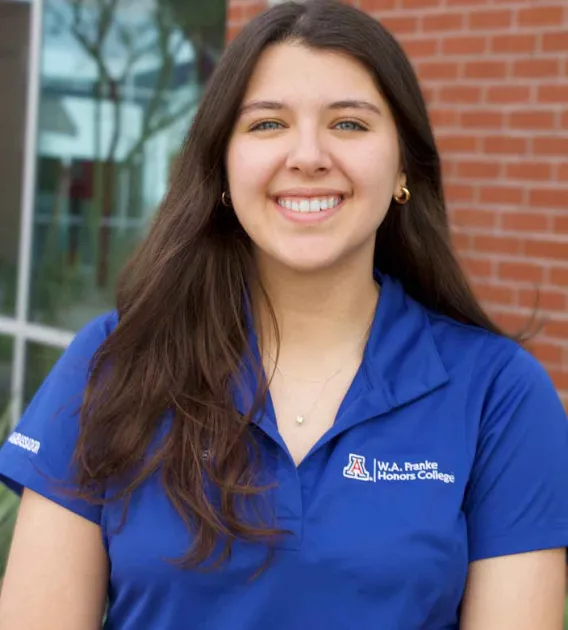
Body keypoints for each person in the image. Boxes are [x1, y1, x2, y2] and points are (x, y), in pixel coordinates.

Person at [0, 1, 567, 628]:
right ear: (222, 164)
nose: (308, 155)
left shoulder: (499, 395)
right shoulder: (111, 362)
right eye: (267, 125)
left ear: (404, 166)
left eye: (349, 124)